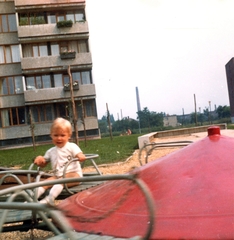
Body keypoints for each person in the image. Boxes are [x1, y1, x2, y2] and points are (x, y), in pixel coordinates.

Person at [34, 117, 86, 205]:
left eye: (62, 135)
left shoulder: (71, 146)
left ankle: (49, 199)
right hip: (58, 176)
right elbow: (44, 163)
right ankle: (31, 199)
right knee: (43, 183)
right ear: (51, 135)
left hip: (74, 175)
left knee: (60, 181)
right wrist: (40, 160)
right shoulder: (50, 151)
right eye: (56, 135)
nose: (59, 138)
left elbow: (79, 154)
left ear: (69, 135)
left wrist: (80, 156)